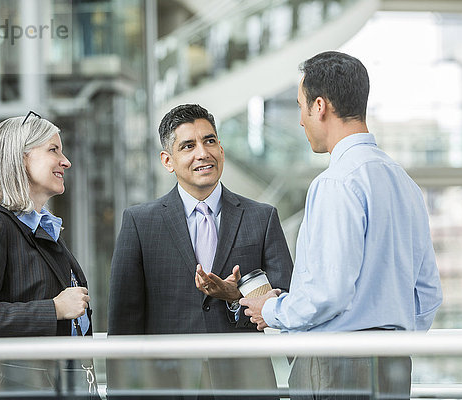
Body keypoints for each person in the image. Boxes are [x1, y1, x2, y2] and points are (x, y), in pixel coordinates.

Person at [240, 51, 443, 400]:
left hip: (335, 366)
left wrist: (272, 310)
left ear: (320, 106)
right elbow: (427, 297)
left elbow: (329, 293)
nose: (301, 121)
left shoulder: (336, 182)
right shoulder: (404, 182)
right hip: (395, 365)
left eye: (301, 107)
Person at [108, 104, 293, 399]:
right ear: (168, 161)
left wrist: (237, 299)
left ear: (221, 148)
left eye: (209, 141)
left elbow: (287, 302)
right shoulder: (140, 222)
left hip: (245, 382)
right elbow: (124, 320)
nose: (202, 153)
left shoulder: (262, 217)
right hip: (167, 382)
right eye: (188, 146)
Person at [0, 111, 96, 399]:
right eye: (53, 150)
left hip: (59, 385)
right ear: (20, 158)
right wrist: (53, 308)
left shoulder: (42, 230)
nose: (66, 162)